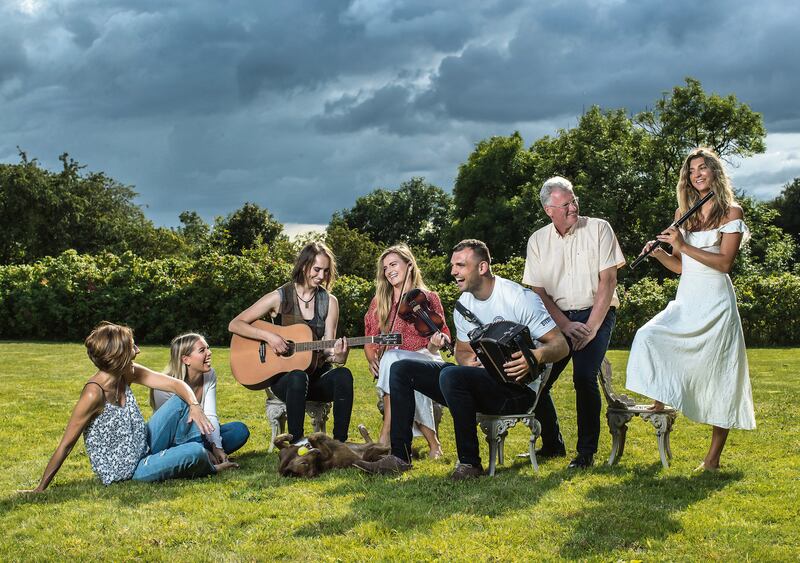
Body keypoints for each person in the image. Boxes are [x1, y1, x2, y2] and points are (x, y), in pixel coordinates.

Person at [355, 240, 569, 479]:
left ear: (482, 267)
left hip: (517, 391)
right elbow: (463, 352)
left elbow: (560, 345)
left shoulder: (519, 298)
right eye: (453, 265)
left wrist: (535, 356)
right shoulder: (464, 305)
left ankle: (469, 463)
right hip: (482, 384)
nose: (453, 271)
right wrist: (468, 362)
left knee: (450, 374)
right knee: (401, 368)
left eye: (460, 265)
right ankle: (399, 457)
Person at [626, 147, 756, 471]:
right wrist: (660, 255)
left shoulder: (731, 213)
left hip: (717, 305)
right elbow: (682, 267)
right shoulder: (684, 212)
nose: (696, 174)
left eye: (702, 168)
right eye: (691, 170)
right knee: (649, 335)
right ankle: (660, 401)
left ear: (714, 172)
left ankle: (712, 460)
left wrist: (683, 245)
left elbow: (724, 263)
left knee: (721, 376)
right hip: (688, 299)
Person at [22, 322, 236, 493]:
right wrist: (40, 488)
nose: (138, 350)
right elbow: (66, 445)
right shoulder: (93, 393)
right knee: (195, 451)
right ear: (119, 355)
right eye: (133, 346)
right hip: (129, 470)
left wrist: (194, 405)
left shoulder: (127, 373)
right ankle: (208, 462)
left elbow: (175, 384)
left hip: (144, 444)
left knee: (183, 399)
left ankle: (183, 451)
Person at [523, 176, 626, 469]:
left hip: (598, 312)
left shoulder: (599, 228)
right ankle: (553, 444)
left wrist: (592, 327)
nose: (573, 207)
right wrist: (565, 326)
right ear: (549, 210)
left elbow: (608, 280)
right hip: (558, 318)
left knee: (584, 377)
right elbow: (538, 292)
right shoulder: (537, 241)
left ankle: (585, 454)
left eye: (574, 200)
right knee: (536, 378)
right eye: (565, 204)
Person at [228, 242, 352, 444]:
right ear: (304, 266)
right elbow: (235, 324)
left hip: (317, 378)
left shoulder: (330, 301)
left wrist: (338, 357)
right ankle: (297, 442)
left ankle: (339, 445)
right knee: (297, 376)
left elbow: (329, 347)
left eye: (326, 271)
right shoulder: (280, 296)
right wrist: (270, 337)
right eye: (317, 269)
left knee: (344, 375)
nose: (321, 276)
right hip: (286, 382)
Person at [364, 244, 451, 458]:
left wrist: (436, 342)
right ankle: (434, 445)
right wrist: (371, 358)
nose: (389, 271)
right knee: (396, 363)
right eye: (385, 268)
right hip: (395, 366)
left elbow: (437, 339)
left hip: (426, 357)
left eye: (394, 264)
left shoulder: (428, 297)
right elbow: (370, 338)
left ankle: (386, 434)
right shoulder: (380, 301)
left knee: (396, 361)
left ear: (409, 265)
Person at [151, 333, 250, 465]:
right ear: (186, 359)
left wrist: (217, 447)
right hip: (172, 441)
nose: (209, 352)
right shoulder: (164, 386)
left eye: (208, 348)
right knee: (194, 444)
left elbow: (210, 415)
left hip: (200, 432)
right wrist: (204, 449)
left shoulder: (209, 375)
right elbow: (175, 431)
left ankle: (199, 454)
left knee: (239, 430)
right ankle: (196, 453)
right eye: (202, 350)